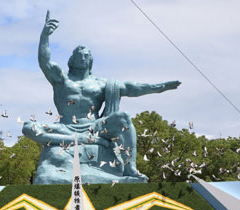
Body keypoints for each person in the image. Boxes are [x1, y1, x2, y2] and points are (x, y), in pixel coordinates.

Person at [23, 10, 181, 181]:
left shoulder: (101, 83)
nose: (83, 58)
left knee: (123, 118)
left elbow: (132, 88)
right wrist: (45, 36)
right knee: (27, 127)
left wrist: (160, 87)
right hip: (65, 126)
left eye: (86, 56)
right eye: (79, 55)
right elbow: (44, 62)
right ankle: (75, 140)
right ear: (72, 60)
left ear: (90, 60)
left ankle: (130, 167)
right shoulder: (62, 80)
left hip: (95, 126)